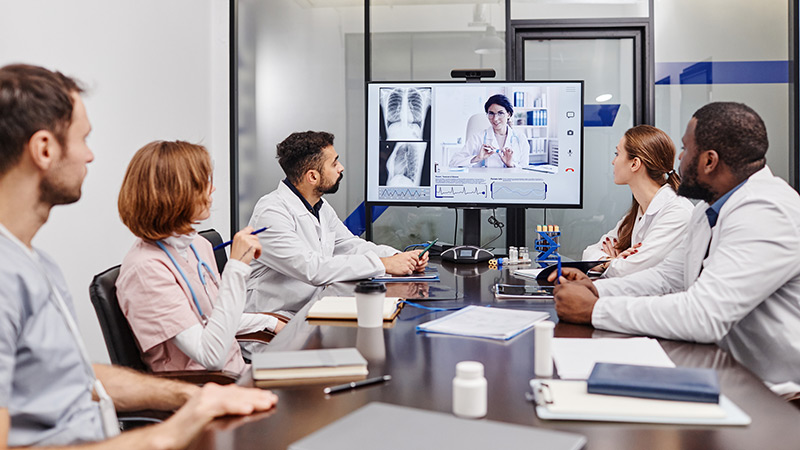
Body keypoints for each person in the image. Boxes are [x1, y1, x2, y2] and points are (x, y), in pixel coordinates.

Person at [0, 63, 277, 448]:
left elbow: (78, 376)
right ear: (44, 149)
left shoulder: (36, 264)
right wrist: (166, 435)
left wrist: (195, 398)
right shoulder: (6, 280)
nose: (91, 156)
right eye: (83, 139)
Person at [551, 102, 800, 395]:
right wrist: (597, 290)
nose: (679, 158)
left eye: (685, 148)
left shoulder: (766, 210)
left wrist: (594, 309)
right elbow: (666, 278)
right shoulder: (709, 212)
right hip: (724, 371)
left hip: (774, 395)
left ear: (709, 161)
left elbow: (703, 315)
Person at [116, 141, 284, 375]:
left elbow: (215, 319)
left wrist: (271, 323)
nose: (212, 189)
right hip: (206, 387)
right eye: (203, 183)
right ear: (175, 194)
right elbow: (211, 357)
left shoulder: (197, 244)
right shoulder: (145, 270)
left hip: (239, 372)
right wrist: (236, 268)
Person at [246, 131, 428, 315]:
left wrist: (399, 257)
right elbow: (312, 268)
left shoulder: (318, 206)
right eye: (334, 163)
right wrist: (384, 264)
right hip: (275, 319)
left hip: (311, 308)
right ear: (312, 177)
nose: (341, 167)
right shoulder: (271, 213)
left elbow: (351, 246)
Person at [582, 125, 693, 277]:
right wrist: (611, 261)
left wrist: (609, 263)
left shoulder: (677, 212)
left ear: (634, 164)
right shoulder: (638, 211)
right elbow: (590, 253)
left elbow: (631, 270)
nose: (613, 162)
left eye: (617, 154)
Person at [449, 94, 527, 168]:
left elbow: (525, 170)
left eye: (500, 113)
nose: (495, 119)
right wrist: (477, 158)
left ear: (509, 115)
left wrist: (511, 165)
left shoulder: (520, 138)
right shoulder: (477, 138)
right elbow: (453, 163)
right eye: (491, 113)